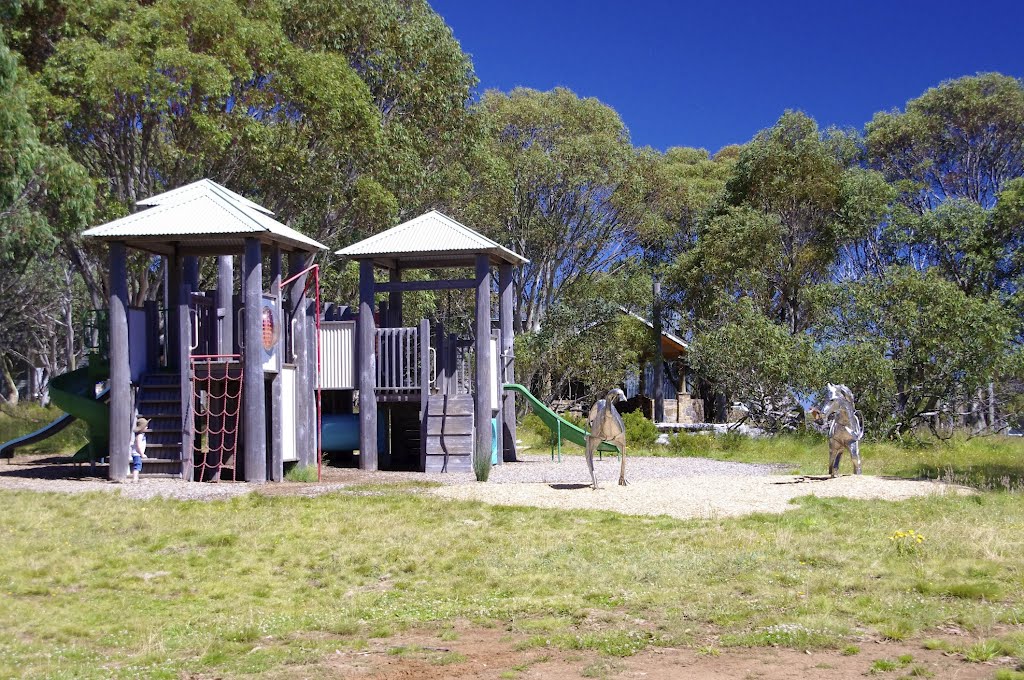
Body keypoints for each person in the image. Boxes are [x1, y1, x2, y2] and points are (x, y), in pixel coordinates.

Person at [130, 417, 149, 483]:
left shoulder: (141, 435)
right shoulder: (139, 436)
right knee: (137, 466)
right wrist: (142, 454)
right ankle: (135, 478)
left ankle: (136, 477)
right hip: (137, 453)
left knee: (138, 465)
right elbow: (138, 446)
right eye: (146, 426)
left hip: (137, 453)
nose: (147, 427)